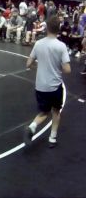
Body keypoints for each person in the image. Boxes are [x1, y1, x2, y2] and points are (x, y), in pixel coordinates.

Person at [24, 16, 71, 148]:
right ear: (58, 29)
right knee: (56, 112)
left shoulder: (38, 43)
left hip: (40, 87)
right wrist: (57, 65)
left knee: (43, 112)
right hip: (55, 87)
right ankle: (52, 138)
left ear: (47, 28)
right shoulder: (61, 46)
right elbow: (67, 70)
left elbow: (28, 64)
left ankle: (32, 126)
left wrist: (38, 67)